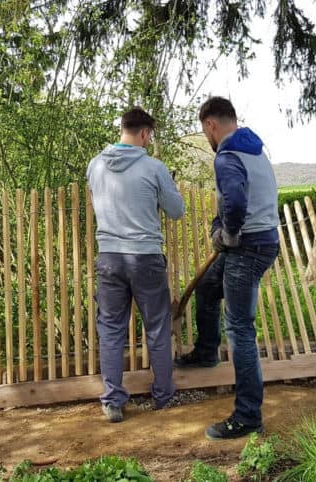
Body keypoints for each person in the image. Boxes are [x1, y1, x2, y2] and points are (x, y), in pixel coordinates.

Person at [174, 97, 280, 440]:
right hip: (262, 240)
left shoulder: (228, 155)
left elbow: (234, 200)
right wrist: (220, 226)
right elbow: (233, 201)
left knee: (240, 330)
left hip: (247, 247)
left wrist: (229, 232)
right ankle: (206, 351)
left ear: (210, 125)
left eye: (204, 131)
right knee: (207, 286)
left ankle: (248, 416)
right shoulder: (254, 150)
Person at [87, 107, 185, 423]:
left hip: (110, 258)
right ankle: (163, 396)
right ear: (145, 133)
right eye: (149, 136)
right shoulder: (153, 168)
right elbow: (176, 211)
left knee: (112, 330)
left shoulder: (95, 165)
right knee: (156, 327)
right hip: (145, 257)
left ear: (123, 128)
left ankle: (113, 401)